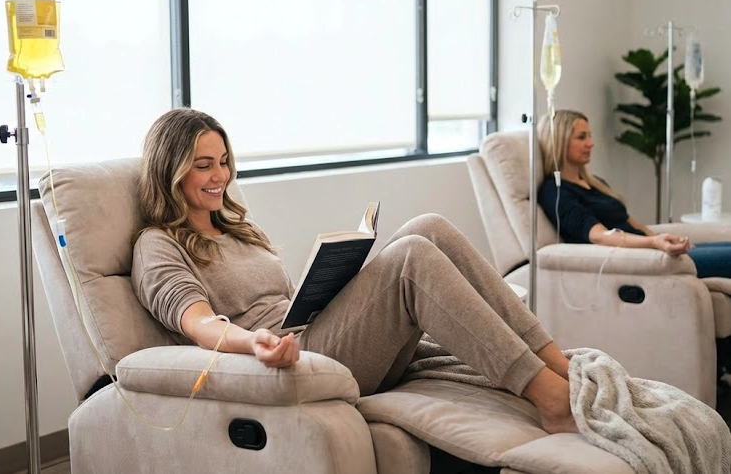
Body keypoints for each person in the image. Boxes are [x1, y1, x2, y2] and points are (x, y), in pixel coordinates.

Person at [132, 108, 578, 434]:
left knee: (429, 228)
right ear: (170, 170)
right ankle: (548, 397)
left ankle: (556, 364)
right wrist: (255, 343)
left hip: (318, 331)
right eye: (203, 165)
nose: (220, 176)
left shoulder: (237, 230)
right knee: (411, 258)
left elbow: (288, 302)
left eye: (224, 161)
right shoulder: (157, 245)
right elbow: (200, 323)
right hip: (298, 357)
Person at [536, 109, 731, 279]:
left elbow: (630, 222)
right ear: (558, 142)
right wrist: (654, 243)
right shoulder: (556, 192)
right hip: (642, 259)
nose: (591, 143)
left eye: (590, 135)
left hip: (651, 249)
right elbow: (600, 236)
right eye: (581, 137)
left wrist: (661, 237)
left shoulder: (595, 183)